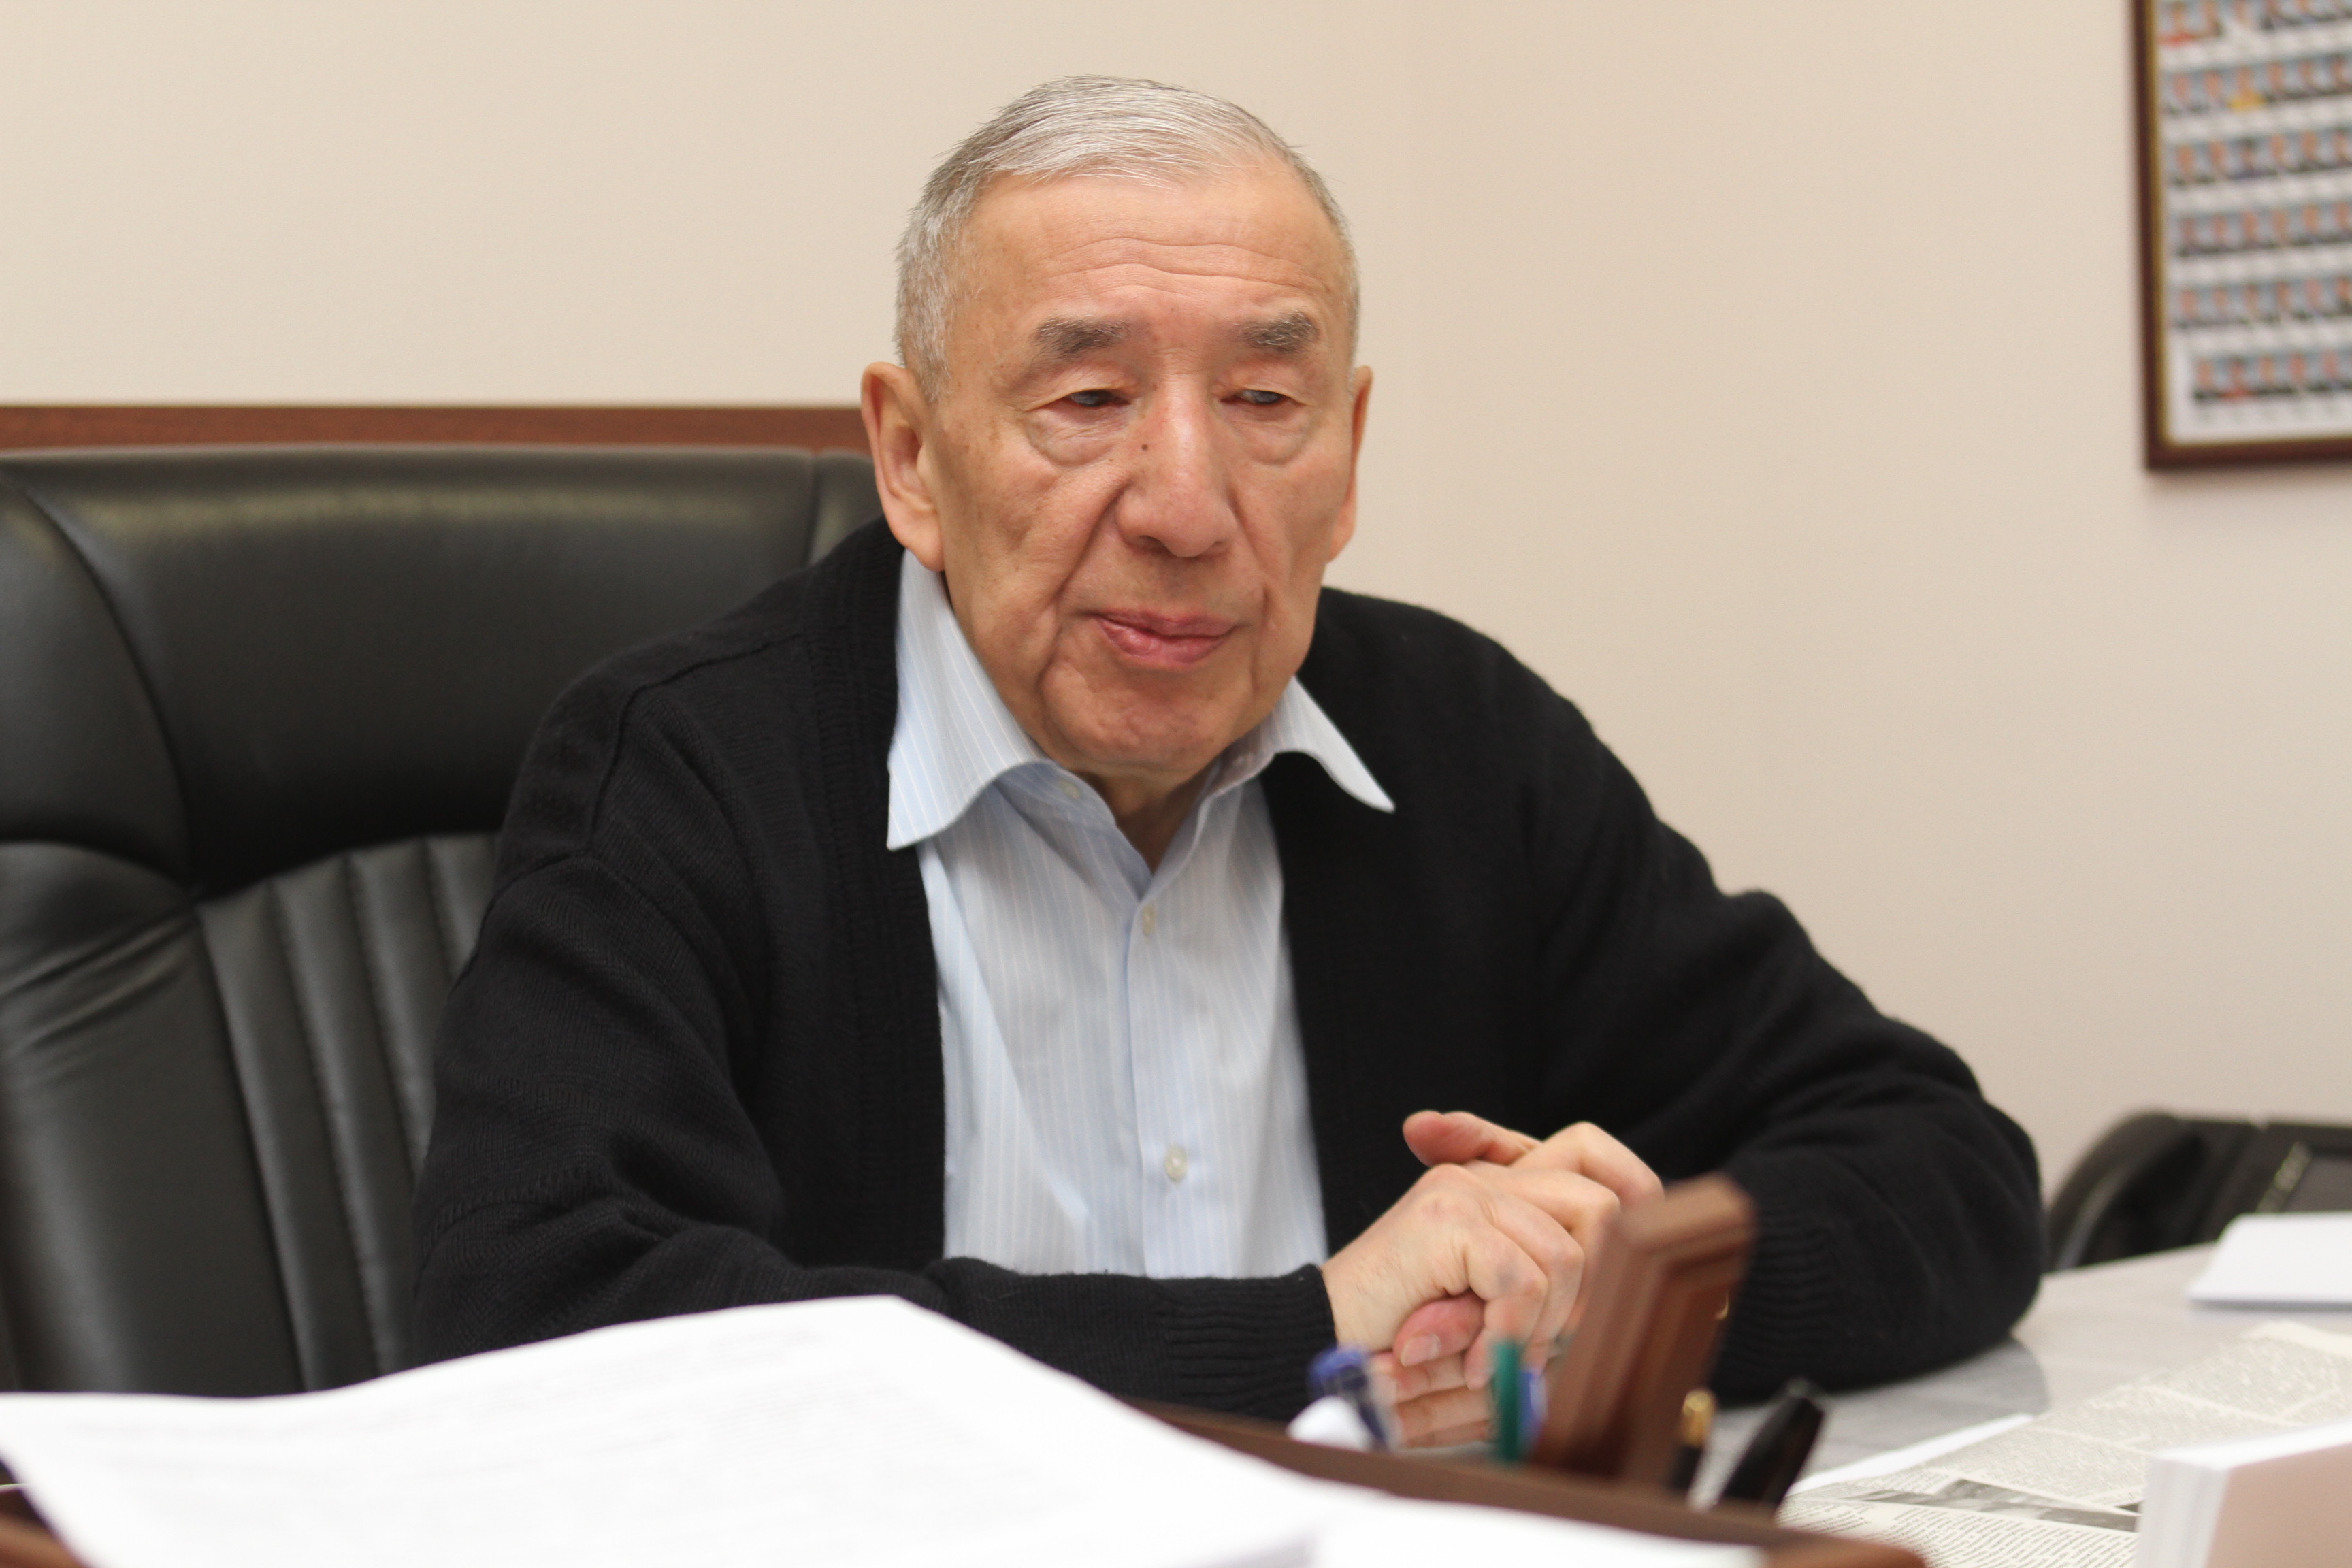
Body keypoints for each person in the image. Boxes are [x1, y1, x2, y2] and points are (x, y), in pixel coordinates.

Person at [412, 76, 2041, 1443]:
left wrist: (1608, 1288)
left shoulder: (1460, 743)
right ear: (910, 457)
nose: (1187, 507)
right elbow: (540, 1324)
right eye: (1088, 397)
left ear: (1350, 455)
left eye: (1266, 398)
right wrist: (1315, 1335)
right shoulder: (687, 768)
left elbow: (1947, 1168)